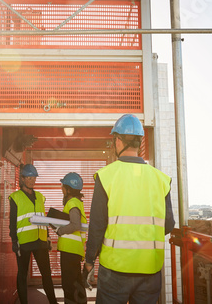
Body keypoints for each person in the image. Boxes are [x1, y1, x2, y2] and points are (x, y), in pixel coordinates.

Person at [83, 114, 176, 304]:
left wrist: (89, 260)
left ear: (118, 140)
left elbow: (97, 226)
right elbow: (168, 224)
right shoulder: (160, 179)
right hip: (150, 269)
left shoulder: (106, 176)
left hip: (114, 270)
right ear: (139, 142)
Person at [9, 164, 58, 304]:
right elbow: (13, 223)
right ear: (23, 179)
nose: (32, 180)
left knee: (46, 275)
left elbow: (43, 218)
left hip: (40, 242)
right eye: (29, 177)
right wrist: (14, 241)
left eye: (34, 177)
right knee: (22, 275)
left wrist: (48, 237)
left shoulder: (40, 197)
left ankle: (53, 302)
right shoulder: (15, 197)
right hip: (23, 243)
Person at [55, 172, 88, 304]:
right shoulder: (76, 202)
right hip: (74, 250)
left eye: (63, 186)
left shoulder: (72, 203)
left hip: (70, 250)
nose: (61, 189)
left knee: (69, 285)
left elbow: (75, 224)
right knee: (76, 282)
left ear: (68, 189)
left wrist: (60, 230)